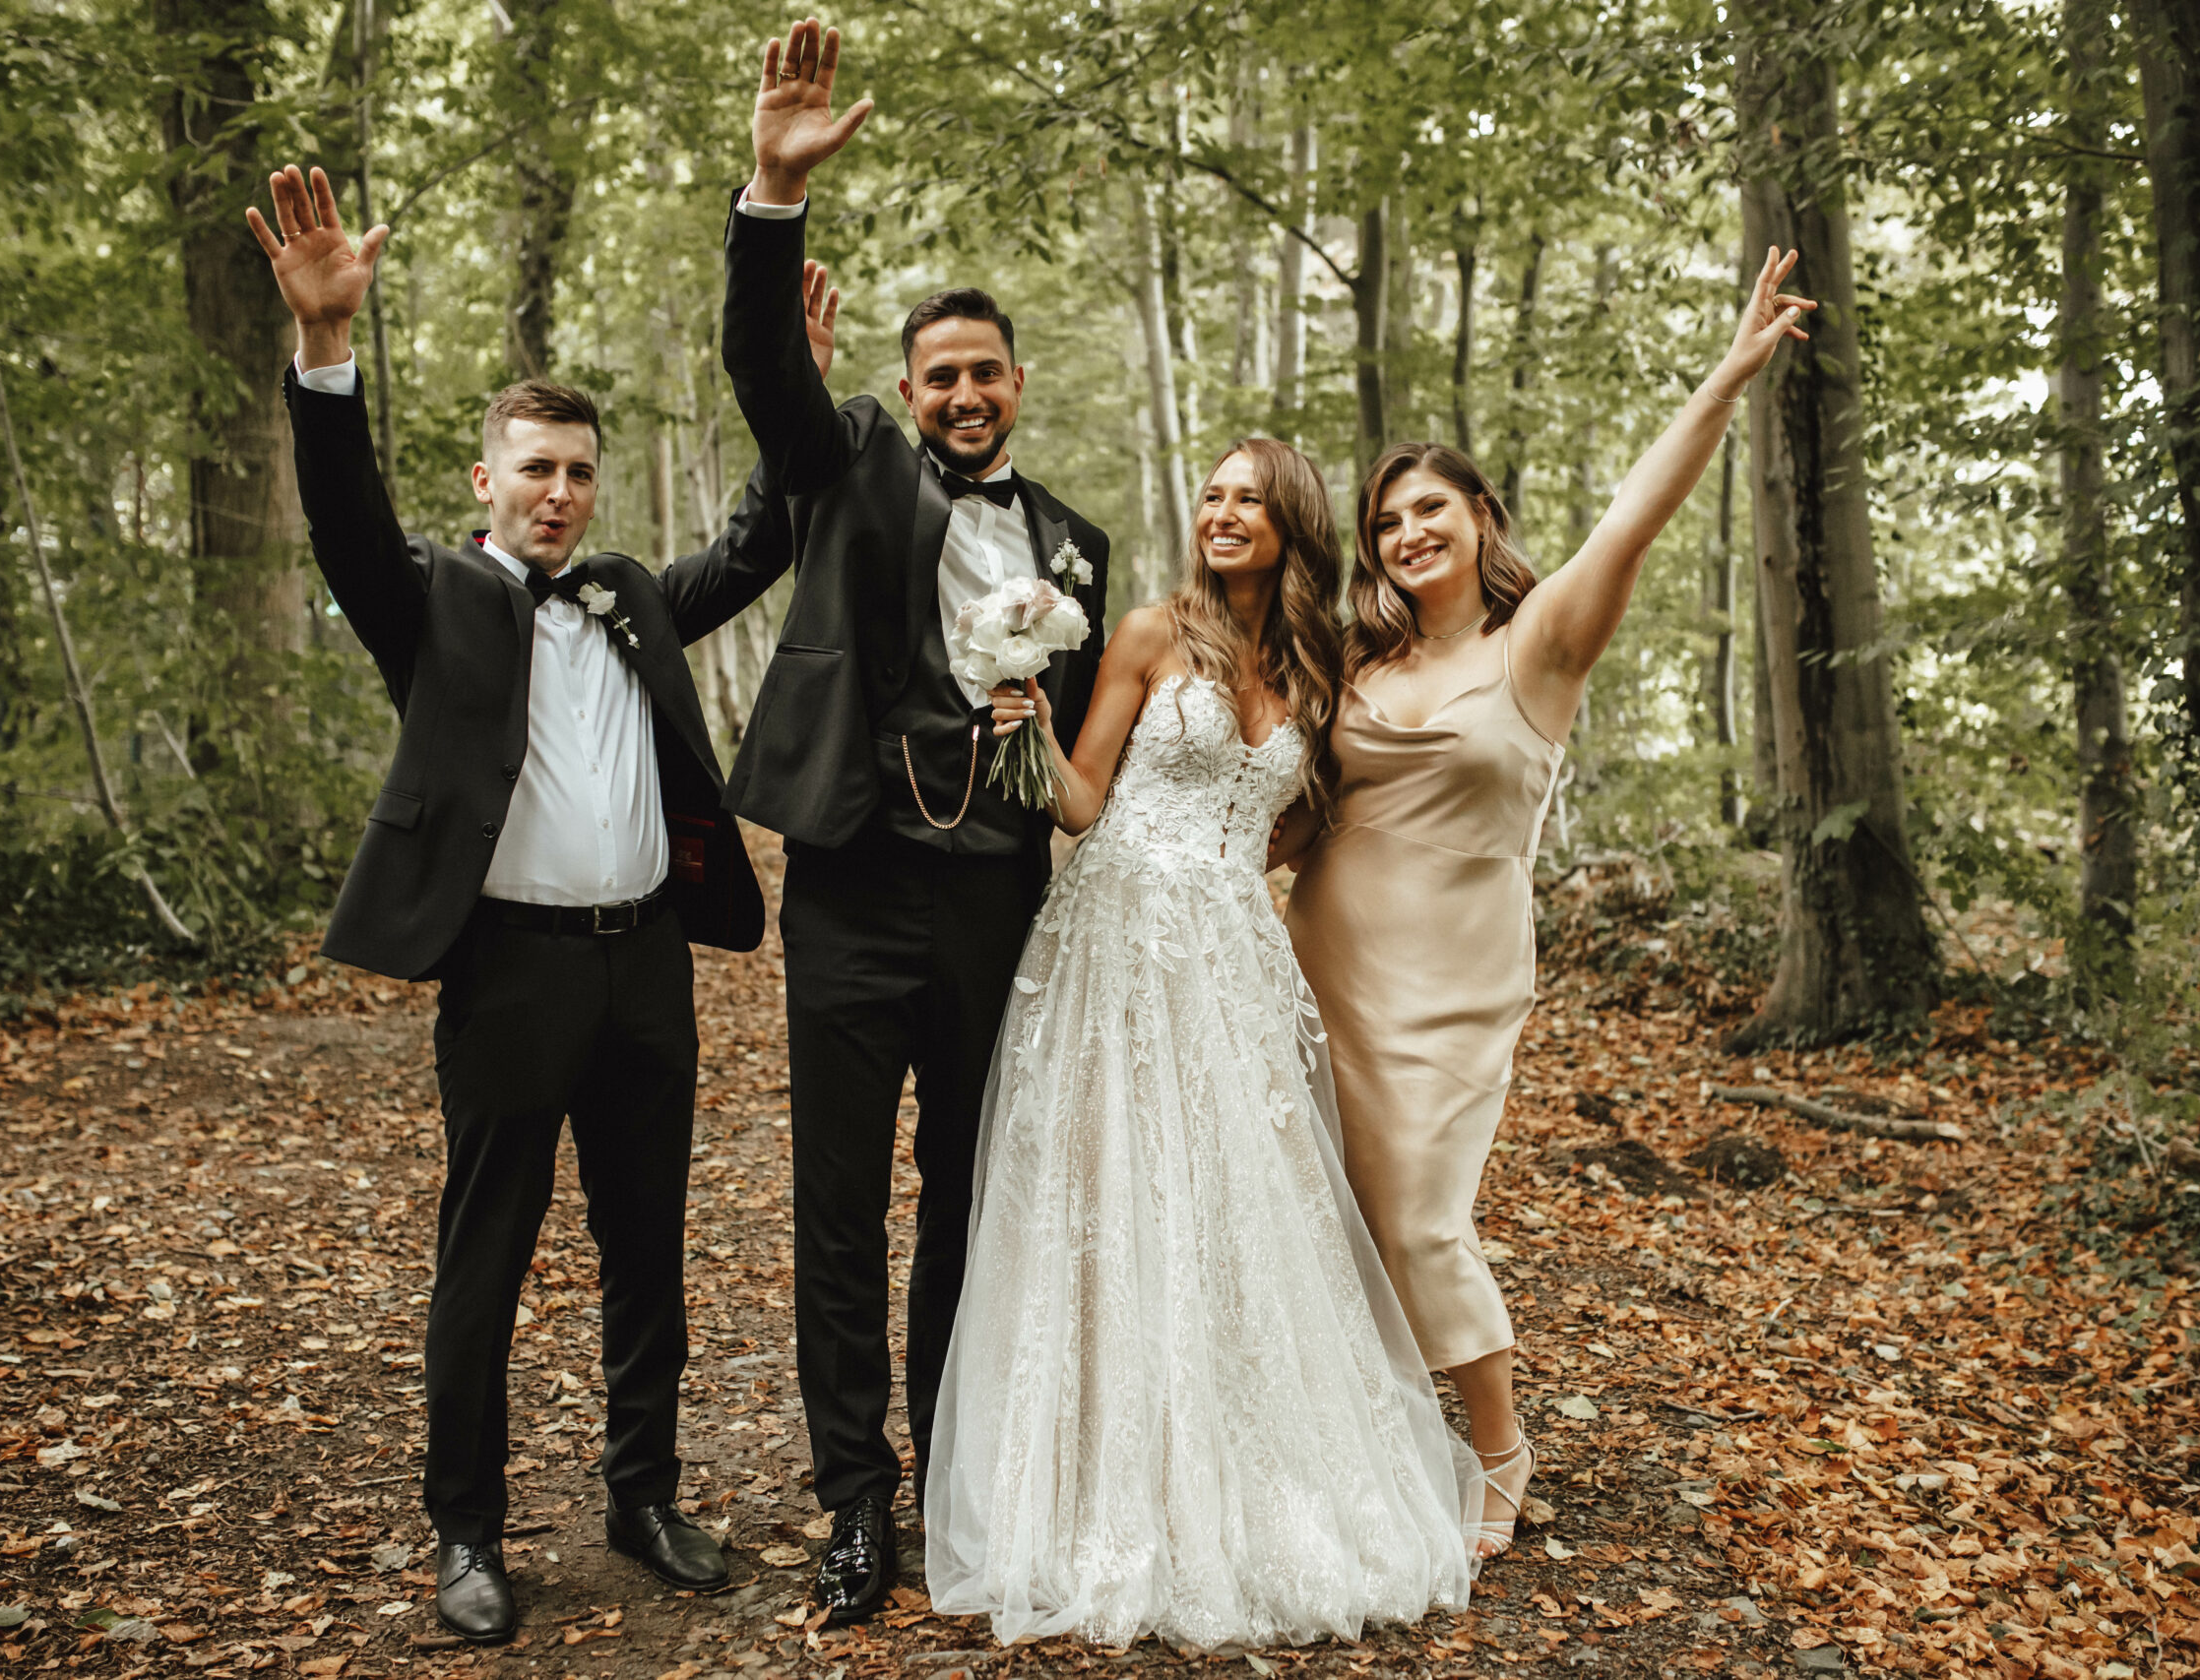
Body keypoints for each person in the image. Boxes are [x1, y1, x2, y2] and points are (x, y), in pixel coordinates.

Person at [246, 164, 839, 1643]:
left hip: (647, 968)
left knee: (647, 1251)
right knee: (487, 1256)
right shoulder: (430, 598)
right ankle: (467, 1530)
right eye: (535, 469)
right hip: (508, 974)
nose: (559, 491)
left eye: (577, 470)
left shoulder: (633, 595)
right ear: (487, 481)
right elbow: (342, 520)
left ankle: (643, 1494)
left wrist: (795, 395)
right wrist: (325, 346)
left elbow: (761, 538)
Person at [1283, 247, 1817, 1557]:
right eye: (1386, 522)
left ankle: (1500, 1446)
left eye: (1430, 509)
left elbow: (1636, 510)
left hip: (1454, 978)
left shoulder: (1544, 641)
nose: (1407, 535)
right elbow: (1287, 805)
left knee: (1420, 1212)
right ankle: (1358, 1435)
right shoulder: (1353, 656)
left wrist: (1728, 376)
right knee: (1329, 1207)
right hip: (1320, 954)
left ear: (1481, 515)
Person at [926, 440, 1477, 1651]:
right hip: (1116, 943)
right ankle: (1107, 1489)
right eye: (1214, 496)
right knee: (1118, 1196)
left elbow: (1308, 817)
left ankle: (1250, 1474)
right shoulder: (1147, 631)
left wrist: (1239, 870)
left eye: (1249, 500)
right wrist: (1023, 717)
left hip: (1231, 955)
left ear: (1293, 524)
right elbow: (1081, 802)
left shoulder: (1324, 664)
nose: (1223, 514)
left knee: (1236, 1204)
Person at [717, 18, 1113, 1626]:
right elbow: (767, 375)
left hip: (996, 891)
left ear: (1019, 385)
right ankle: (855, 1500)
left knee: (968, 1190)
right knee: (838, 1203)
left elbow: (1086, 751)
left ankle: (954, 1466)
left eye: (984, 371)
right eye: (938, 372)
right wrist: (772, 194)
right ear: (905, 389)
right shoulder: (853, 462)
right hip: (852, 883)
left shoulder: (1077, 543)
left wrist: (1042, 747)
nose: (962, 391)